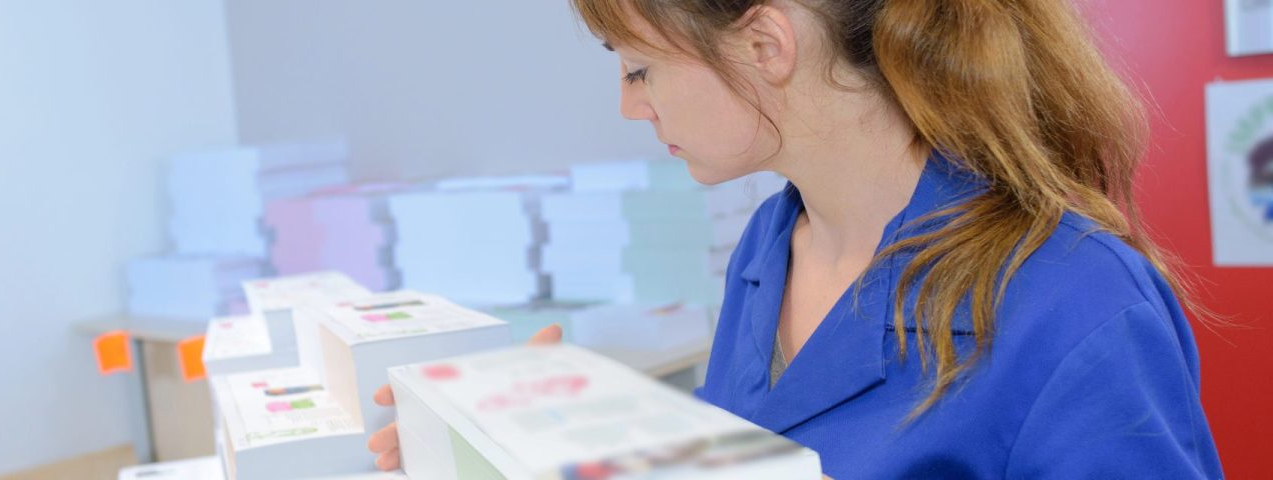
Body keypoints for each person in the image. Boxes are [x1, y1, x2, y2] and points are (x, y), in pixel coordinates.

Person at [369, 1, 1224, 477]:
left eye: (639, 67)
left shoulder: (1077, 305)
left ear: (765, 42)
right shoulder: (766, 253)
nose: (631, 104)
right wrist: (536, 443)